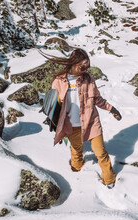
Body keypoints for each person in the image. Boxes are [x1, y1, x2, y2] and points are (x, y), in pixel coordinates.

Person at [40, 48, 121, 189]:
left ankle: (109, 178)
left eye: (87, 67)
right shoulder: (59, 81)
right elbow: (53, 103)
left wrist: (111, 108)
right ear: (74, 63)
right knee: (76, 149)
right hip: (70, 125)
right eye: (82, 66)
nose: (85, 70)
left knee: (101, 152)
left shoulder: (88, 80)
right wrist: (52, 119)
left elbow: (97, 99)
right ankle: (76, 168)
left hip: (91, 122)